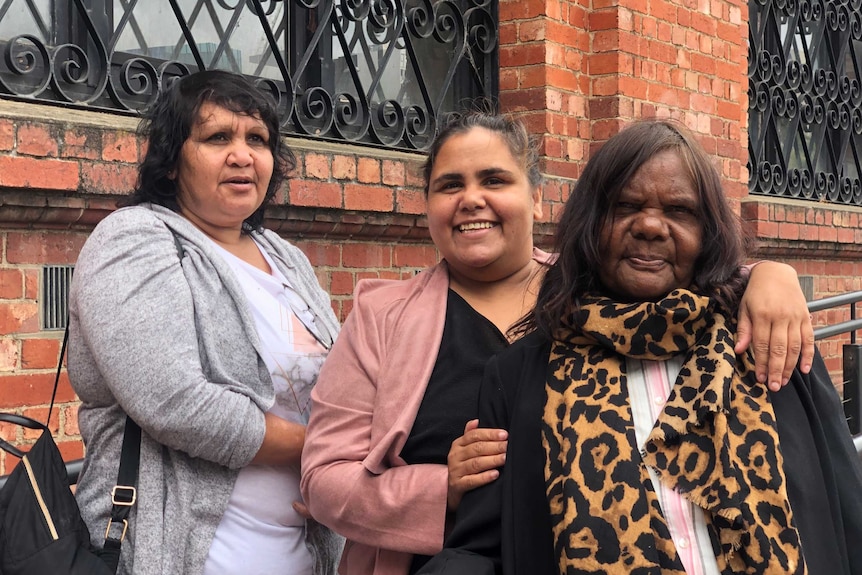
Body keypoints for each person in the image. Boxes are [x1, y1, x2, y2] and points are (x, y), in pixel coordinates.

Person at [299, 112, 817, 575]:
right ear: (429, 204)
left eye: (495, 179)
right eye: (448, 185)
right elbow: (324, 479)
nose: (471, 199)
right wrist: (444, 489)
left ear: (536, 195)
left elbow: (680, 280)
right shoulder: (380, 316)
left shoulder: (588, 295)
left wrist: (771, 274)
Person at [68, 70, 342, 575]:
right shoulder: (134, 239)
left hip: (306, 555)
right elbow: (173, 400)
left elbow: (345, 382)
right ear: (172, 160)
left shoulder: (285, 257)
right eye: (218, 137)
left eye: (257, 139)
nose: (242, 155)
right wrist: (329, 452)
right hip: (183, 554)